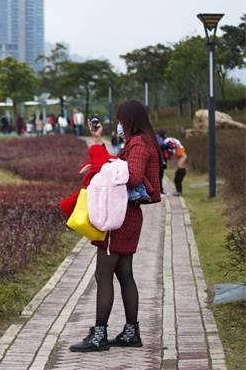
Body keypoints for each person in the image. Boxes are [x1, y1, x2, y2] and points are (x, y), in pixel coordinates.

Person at [69, 100, 161, 353]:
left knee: (103, 275)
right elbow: (123, 167)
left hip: (119, 217)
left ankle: (99, 335)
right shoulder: (137, 142)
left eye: (121, 120)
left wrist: (105, 168)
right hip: (126, 215)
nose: (119, 124)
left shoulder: (139, 143)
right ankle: (131, 333)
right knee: (124, 274)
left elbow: (130, 177)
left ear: (130, 120)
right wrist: (99, 143)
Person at [156, 130, 168, 195]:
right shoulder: (159, 138)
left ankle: (160, 190)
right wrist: (168, 145)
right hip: (160, 160)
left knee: (159, 176)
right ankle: (160, 190)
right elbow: (162, 145)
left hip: (160, 160)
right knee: (160, 176)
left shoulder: (157, 138)